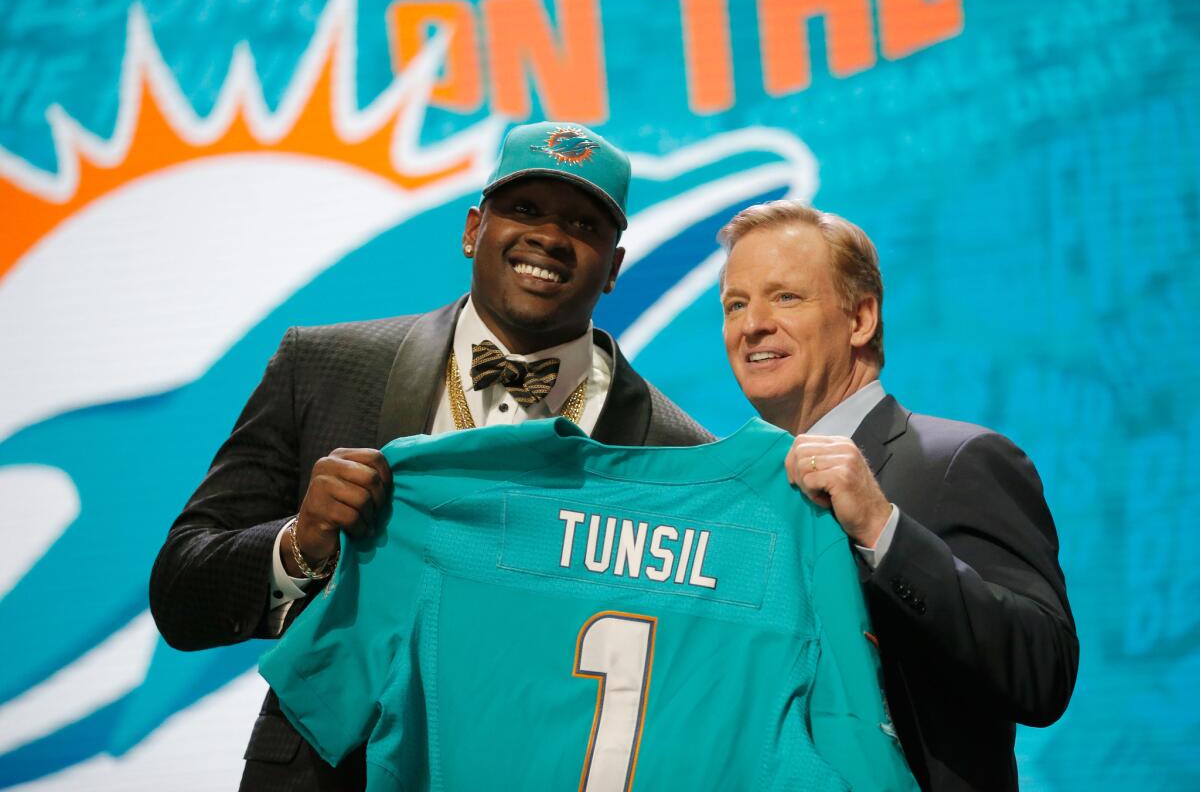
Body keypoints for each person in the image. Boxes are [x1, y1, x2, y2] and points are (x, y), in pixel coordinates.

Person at [148, 121, 712, 791]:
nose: (551, 238)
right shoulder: (324, 367)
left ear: (614, 267)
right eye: (525, 209)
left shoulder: (676, 452)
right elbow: (181, 594)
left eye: (584, 225)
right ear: (474, 228)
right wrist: (300, 545)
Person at [717, 200, 1078, 791]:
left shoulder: (960, 460)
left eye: (785, 297)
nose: (752, 324)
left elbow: (1044, 674)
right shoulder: (741, 497)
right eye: (736, 304)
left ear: (860, 319)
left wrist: (884, 530)